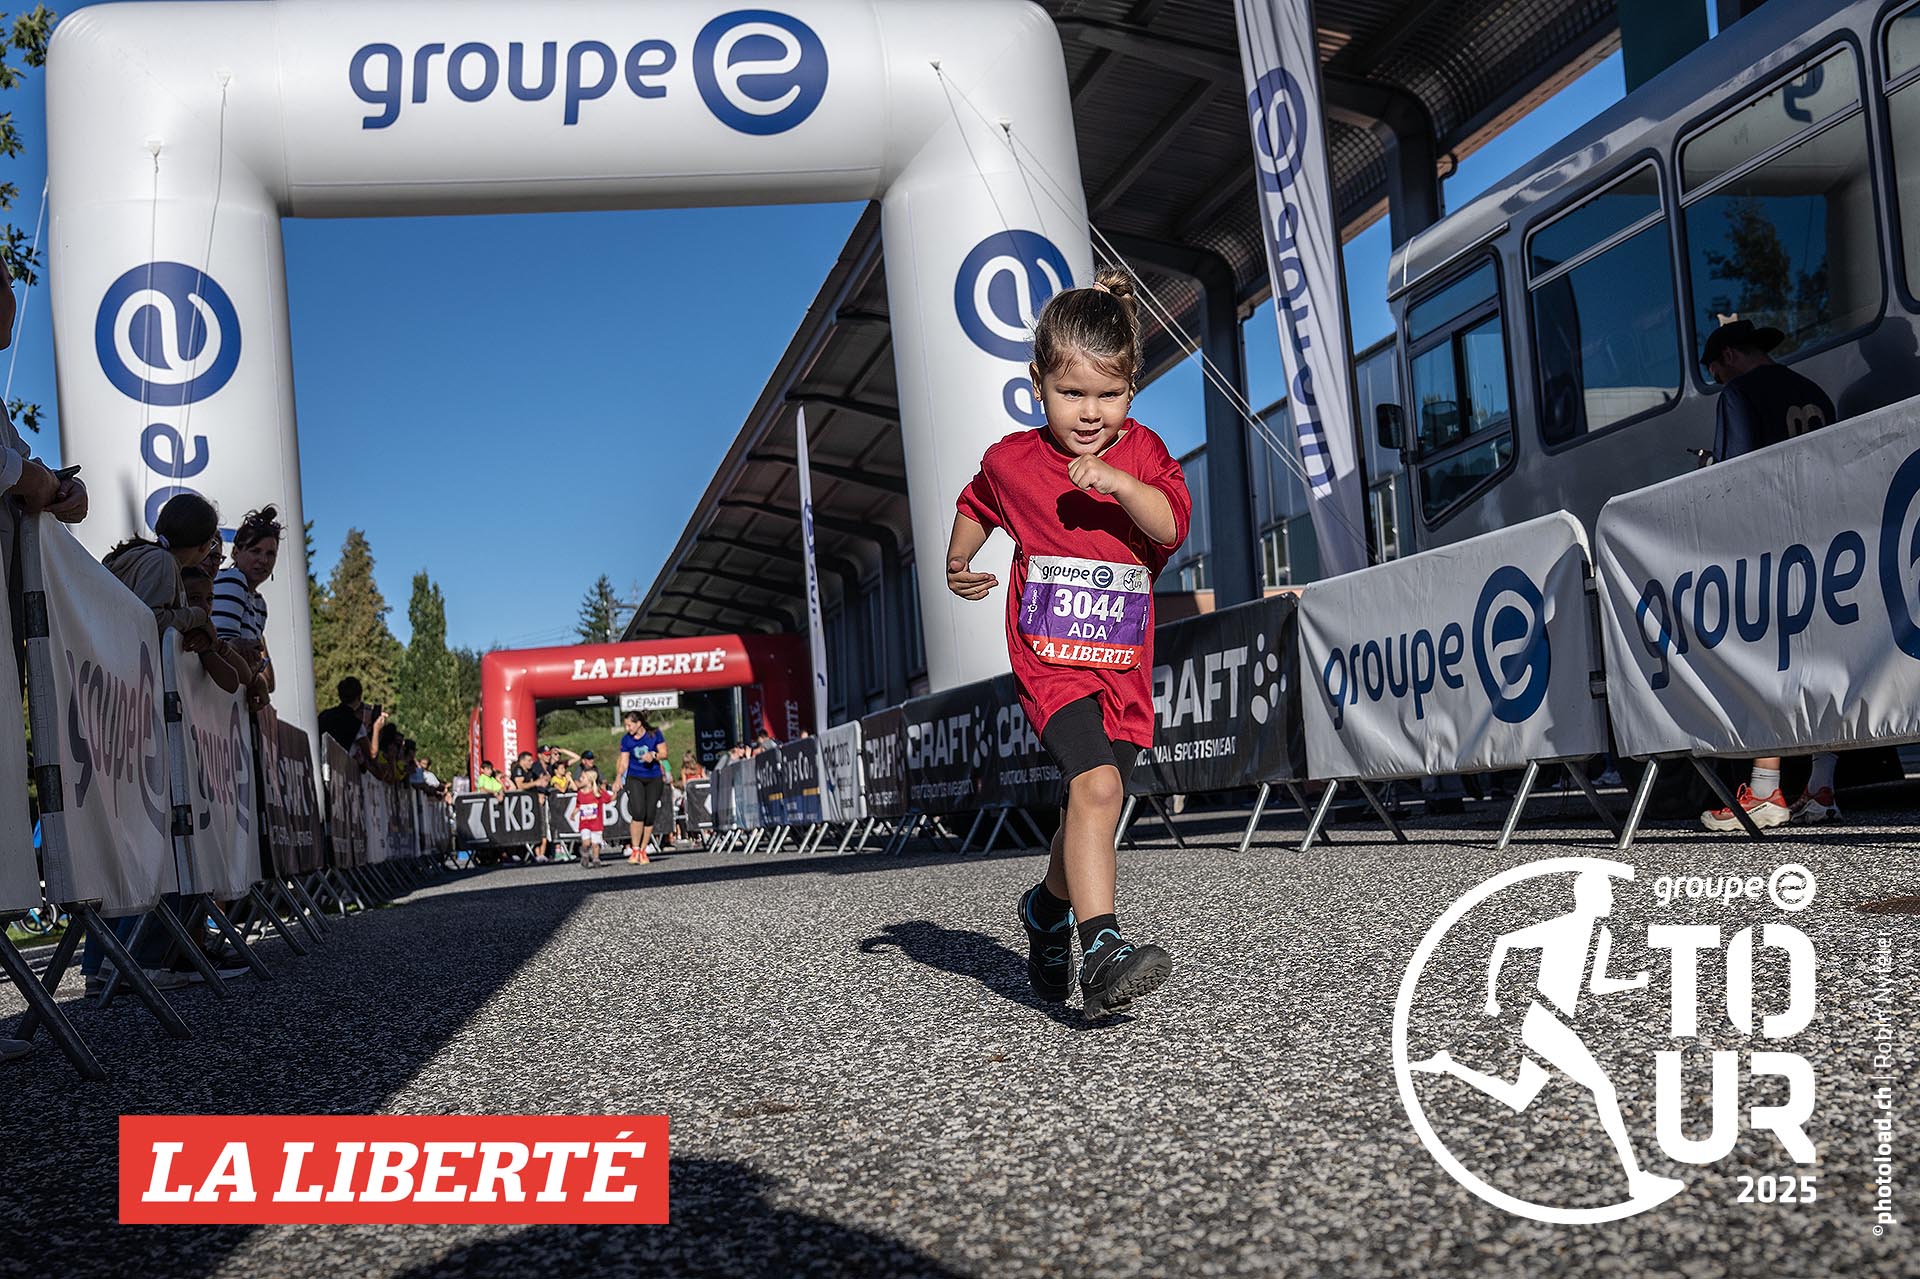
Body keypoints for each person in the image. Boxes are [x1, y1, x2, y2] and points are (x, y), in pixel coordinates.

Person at [947, 268, 1190, 1019]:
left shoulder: (1141, 454)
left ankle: (1046, 909)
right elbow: (978, 502)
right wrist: (959, 559)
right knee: (1098, 787)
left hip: (1123, 667)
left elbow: (1171, 524)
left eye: (1108, 395)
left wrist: (1121, 484)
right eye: (1071, 393)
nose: (1089, 413)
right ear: (1037, 387)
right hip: (1049, 660)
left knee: (1094, 800)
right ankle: (1103, 950)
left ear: (1131, 390)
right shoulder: (1013, 460)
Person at [1410, 870, 1683, 1208]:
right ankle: (1636, 1180)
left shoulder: (1602, 936)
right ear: (1588, 896)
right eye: (1607, 893)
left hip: (1557, 1023)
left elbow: (1595, 985)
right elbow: (1504, 942)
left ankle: (1448, 1065)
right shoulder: (1560, 927)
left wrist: (1634, 982)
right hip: (1544, 1022)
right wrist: (1491, 997)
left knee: (1519, 1095)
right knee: (1604, 1089)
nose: (1612, 899)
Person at [1697, 319, 1842, 832]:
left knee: (1769, 659)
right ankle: (1821, 787)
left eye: (1717, 372)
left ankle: (1764, 792)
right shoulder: (1815, 392)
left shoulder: (1739, 394)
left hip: (1771, 543)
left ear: (1729, 356)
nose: (1719, 382)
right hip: (1828, 544)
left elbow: (1735, 477)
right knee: (1826, 661)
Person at [213, 505, 281, 710]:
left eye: (271, 554)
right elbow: (222, 648)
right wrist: (256, 679)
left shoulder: (260, 604)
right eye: (255, 551)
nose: (263, 560)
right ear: (236, 552)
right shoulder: (234, 580)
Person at [615, 710, 667, 864]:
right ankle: (635, 849)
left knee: (649, 814)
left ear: (638, 724)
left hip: (654, 777)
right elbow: (624, 762)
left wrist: (653, 755)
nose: (627, 728)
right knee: (638, 812)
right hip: (635, 777)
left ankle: (643, 850)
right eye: (625, 725)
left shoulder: (654, 734)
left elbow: (664, 753)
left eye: (629, 725)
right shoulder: (626, 740)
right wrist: (618, 776)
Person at [509, 748, 552, 861]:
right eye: (528, 760)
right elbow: (520, 786)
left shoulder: (530, 771)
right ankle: (515, 853)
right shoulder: (518, 770)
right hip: (519, 805)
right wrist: (537, 783)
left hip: (530, 804)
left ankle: (539, 855)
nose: (531, 762)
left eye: (531, 760)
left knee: (539, 827)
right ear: (522, 761)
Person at [575, 767, 610, 868]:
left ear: (589, 780)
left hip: (596, 823)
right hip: (584, 823)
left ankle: (596, 858)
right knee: (586, 843)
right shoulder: (580, 793)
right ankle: (585, 854)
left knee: (595, 843)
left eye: (583, 777)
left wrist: (615, 792)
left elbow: (608, 799)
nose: (580, 779)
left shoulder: (597, 792)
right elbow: (578, 805)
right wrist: (573, 813)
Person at [318, 677, 366, 753]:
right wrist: (377, 727)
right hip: (341, 760)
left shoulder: (324, 715)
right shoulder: (355, 724)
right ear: (359, 697)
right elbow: (372, 753)